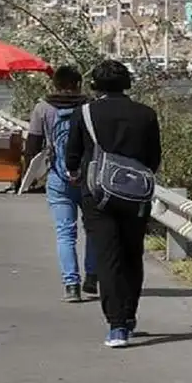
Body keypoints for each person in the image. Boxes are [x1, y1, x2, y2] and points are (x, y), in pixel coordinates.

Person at [64, 59, 161, 348]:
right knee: (132, 255)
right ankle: (129, 317)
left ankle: (116, 326)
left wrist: (75, 174)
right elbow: (153, 158)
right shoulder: (146, 114)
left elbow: (73, 155)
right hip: (136, 195)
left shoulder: (85, 113)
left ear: (95, 85)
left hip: (97, 194)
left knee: (108, 257)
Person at [26, 65, 97, 303]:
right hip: (88, 176)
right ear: (78, 84)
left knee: (65, 233)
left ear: (54, 85)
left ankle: (71, 285)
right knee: (93, 230)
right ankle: (92, 277)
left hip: (58, 176)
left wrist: (32, 176)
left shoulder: (42, 108)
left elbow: (33, 145)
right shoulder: (89, 107)